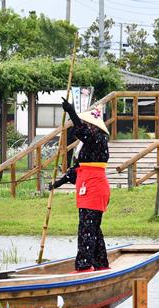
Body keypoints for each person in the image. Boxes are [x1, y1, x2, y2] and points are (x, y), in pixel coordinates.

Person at [48, 98, 111, 272]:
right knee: (92, 228)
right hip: (87, 187)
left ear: (94, 126)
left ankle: (84, 266)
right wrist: (58, 183)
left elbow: (83, 132)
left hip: (95, 188)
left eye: (88, 123)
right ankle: (101, 263)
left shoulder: (98, 140)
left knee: (87, 228)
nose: (85, 125)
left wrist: (71, 112)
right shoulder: (88, 144)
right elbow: (77, 169)